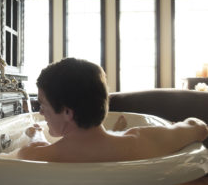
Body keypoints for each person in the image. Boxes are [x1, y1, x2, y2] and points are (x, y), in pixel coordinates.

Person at [17, 58, 208, 162]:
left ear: (68, 112)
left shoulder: (43, 155)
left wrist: (36, 133)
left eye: (43, 104)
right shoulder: (139, 142)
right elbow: (200, 127)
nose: (41, 112)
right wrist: (173, 127)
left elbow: (34, 148)